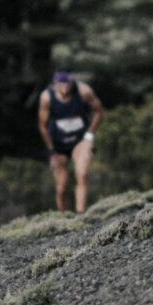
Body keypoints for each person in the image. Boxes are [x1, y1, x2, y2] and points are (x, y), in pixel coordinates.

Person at [37, 69, 103, 213]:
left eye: (68, 83)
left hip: (80, 141)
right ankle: (65, 219)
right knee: (61, 187)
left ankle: (81, 214)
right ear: (55, 83)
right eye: (62, 84)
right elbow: (42, 126)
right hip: (58, 145)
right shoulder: (47, 97)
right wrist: (51, 150)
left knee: (82, 174)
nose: (66, 87)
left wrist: (89, 136)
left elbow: (99, 112)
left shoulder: (84, 91)